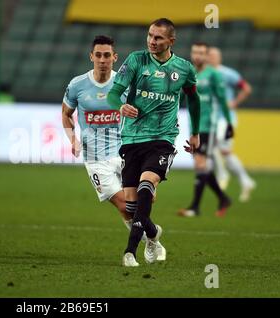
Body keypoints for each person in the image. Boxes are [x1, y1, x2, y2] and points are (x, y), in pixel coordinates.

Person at [62, 35, 166, 261]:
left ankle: (150, 237)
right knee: (125, 206)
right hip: (95, 158)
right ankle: (152, 234)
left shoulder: (125, 84)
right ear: (91, 56)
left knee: (144, 199)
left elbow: (142, 113)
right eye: (98, 55)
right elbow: (66, 114)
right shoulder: (77, 85)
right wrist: (72, 139)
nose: (102, 59)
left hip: (126, 151)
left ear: (115, 58)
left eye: (107, 55)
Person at [107, 18, 201, 267]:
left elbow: (193, 99)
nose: (152, 41)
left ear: (171, 41)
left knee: (146, 184)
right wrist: (121, 105)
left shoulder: (183, 68)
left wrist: (195, 132)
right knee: (130, 204)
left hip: (162, 138)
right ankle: (153, 234)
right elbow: (114, 93)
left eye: (158, 38)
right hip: (132, 138)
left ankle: (130, 252)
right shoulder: (136, 60)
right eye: (150, 35)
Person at [178, 43, 234, 218]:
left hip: (208, 127)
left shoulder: (213, 74)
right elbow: (180, 96)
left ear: (206, 56)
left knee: (201, 164)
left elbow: (222, 98)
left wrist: (229, 123)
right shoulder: (189, 72)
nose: (198, 56)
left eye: (202, 53)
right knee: (201, 166)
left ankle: (195, 207)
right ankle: (223, 198)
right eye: (195, 52)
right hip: (194, 126)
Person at [208, 47, 256, 202]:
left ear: (220, 58)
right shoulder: (204, 74)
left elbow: (246, 88)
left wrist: (235, 102)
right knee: (226, 153)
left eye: (215, 55)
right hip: (213, 119)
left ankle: (223, 174)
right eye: (210, 56)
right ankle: (246, 181)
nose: (212, 58)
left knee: (216, 143)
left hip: (226, 119)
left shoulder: (228, 74)